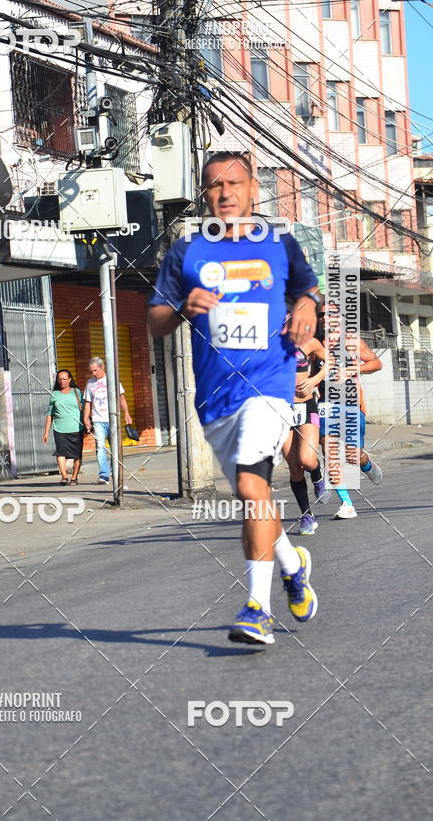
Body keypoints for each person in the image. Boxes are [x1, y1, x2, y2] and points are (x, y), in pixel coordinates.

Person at [148, 151, 322, 645]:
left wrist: (306, 307)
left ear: (253, 191)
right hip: (215, 400)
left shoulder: (279, 243)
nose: (224, 193)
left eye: (234, 183)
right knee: (257, 495)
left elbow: (310, 291)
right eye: (213, 186)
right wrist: (183, 307)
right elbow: (155, 322)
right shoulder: (187, 252)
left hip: (268, 386)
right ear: (205, 195)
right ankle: (292, 567)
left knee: (250, 487)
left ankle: (257, 610)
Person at [317, 313, 383, 519]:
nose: (323, 318)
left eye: (328, 314)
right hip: (325, 406)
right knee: (329, 451)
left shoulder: (352, 340)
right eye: (320, 314)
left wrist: (354, 369)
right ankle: (347, 503)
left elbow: (376, 363)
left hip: (352, 405)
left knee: (352, 455)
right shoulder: (316, 344)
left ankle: (366, 463)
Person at [282, 337, 329, 535]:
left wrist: (314, 379)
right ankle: (307, 515)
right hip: (281, 410)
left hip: (306, 406)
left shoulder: (309, 342)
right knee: (294, 466)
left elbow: (331, 361)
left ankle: (318, 476)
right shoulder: (264, 345)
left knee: (307, 459)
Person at [83, 357, 132, 485]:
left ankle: (114, 471)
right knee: (100, 446)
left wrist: (126, 413)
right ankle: (103, 475)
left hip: (113, 418)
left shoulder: (112, 380)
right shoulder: (90, 383)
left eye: (95, 370)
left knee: (115, 446)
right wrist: (86, 418)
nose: (94, 373)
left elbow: (121, 398)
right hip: (98, 420)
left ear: (102, 367)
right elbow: (88, 403)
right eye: (91, 371)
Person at [42, 369, 84, 485]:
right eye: (59, 379)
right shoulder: (55, 394)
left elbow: (84, 409)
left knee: (77, 454)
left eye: (64, 379)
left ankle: (74, 477)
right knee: (61, 452)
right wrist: (46, 432)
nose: (62, 381)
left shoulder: (77, 392)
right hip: (59, 429)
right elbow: (50, 413)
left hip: (77, 428)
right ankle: (64, 476)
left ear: (69, 380)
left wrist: (87, 421)